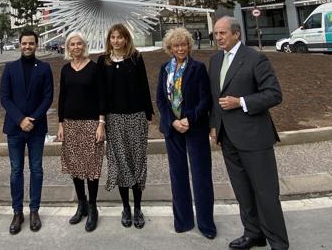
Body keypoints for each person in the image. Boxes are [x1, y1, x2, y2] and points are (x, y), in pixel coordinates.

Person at [209, 16, 289, 250]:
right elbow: (215, 98)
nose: (218, 37)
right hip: (227, 138)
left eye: (223, 33)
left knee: (265, 193)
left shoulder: (255, 59)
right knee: (242, 191)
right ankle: (253, 233)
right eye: (216, 34)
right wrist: (213, 126)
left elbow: (274, 94)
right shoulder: (214, 61)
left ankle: (278, 243)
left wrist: (241, 101)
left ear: (237, 34)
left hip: (255, 138)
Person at [155, 28, 216, 239]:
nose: (180, 48)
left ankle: (206, 224)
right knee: (178, 176)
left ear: (189, 46)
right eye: (176, 45)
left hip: (195, 128)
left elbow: (205, 100)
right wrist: (172, 121)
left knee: (201, 177)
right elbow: (161, 101)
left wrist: (188, 119)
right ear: (170, 48)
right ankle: (183, 221)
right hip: (173, 130)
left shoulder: (198, 68)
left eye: (183, 45)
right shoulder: (165, 69)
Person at [97, 23, 153, 229]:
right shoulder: (103, 61)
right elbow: (101, 93)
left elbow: (144, 86)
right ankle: (126, 208)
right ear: (109, 40)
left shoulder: (136, 58)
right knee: (120, 164)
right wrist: (101, 120)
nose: (116, 41)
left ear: (126, 39)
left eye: (120, 37)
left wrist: (148, 114)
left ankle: (138, 207)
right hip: (114, 119)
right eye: (113, 37)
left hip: (136, 117)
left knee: (137, 161)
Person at [0, 30, 53, 235]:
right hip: (15, 128)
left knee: (37, 169)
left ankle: (34, 211)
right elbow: (5, 98)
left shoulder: (45, 68)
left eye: (31, 43)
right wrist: (20, 119)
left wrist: (33, 119)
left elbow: (48, 97)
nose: (28, 46)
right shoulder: (10, 68)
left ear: (36, 45)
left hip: (37, 128)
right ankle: (17, 212)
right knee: (15, 170)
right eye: (24, 43)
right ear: (20, 45)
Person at [57, 32, 105, 232]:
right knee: (75, 167)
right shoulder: (66, 70)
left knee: (91, 168)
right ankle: (82, 204)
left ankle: (93, 208)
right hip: (70, 123)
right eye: (72, 44)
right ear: (68, 48)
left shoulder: (95, 68)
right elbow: (62, 97)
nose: (76, 47)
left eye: (79, 44)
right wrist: (60, 124)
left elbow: (102, 97)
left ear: (84, 46)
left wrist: (101, 123)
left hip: (91, 123)